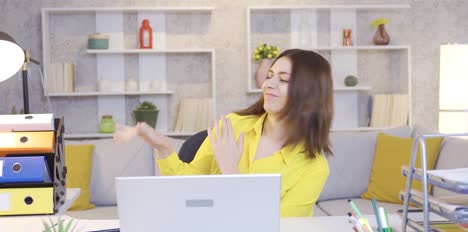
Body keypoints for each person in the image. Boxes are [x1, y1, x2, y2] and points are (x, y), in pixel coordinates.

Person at [114, 49, 334, 217]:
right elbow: (188, 186)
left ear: (310, 94)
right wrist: (162, 146)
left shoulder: (313, 167)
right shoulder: (233, 125)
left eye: (283, 79)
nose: (269, 84)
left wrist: (230, 172)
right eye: (269, 75)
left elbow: (279, 231)